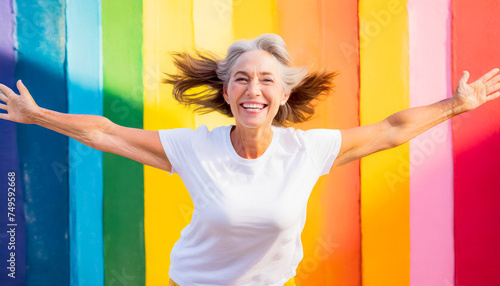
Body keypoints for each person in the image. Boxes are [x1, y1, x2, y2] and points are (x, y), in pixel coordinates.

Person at [0, 33, 499, 286]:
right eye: (241, 78)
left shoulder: (308, 150)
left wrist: (457, 104)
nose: (252, 88)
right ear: (227, 92)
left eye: (265, 80)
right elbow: (107, 133)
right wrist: (37, 114)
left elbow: (392, 130)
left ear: (283, 95)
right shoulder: (195, 147)